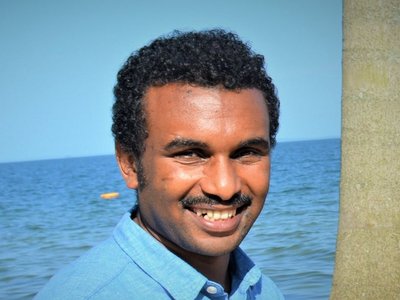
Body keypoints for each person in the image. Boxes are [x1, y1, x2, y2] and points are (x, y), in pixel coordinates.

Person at [35, 29, 284, 299]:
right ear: (130, 163)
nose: (224, 187)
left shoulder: (261, 291)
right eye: (190, 154)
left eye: (246, 152)